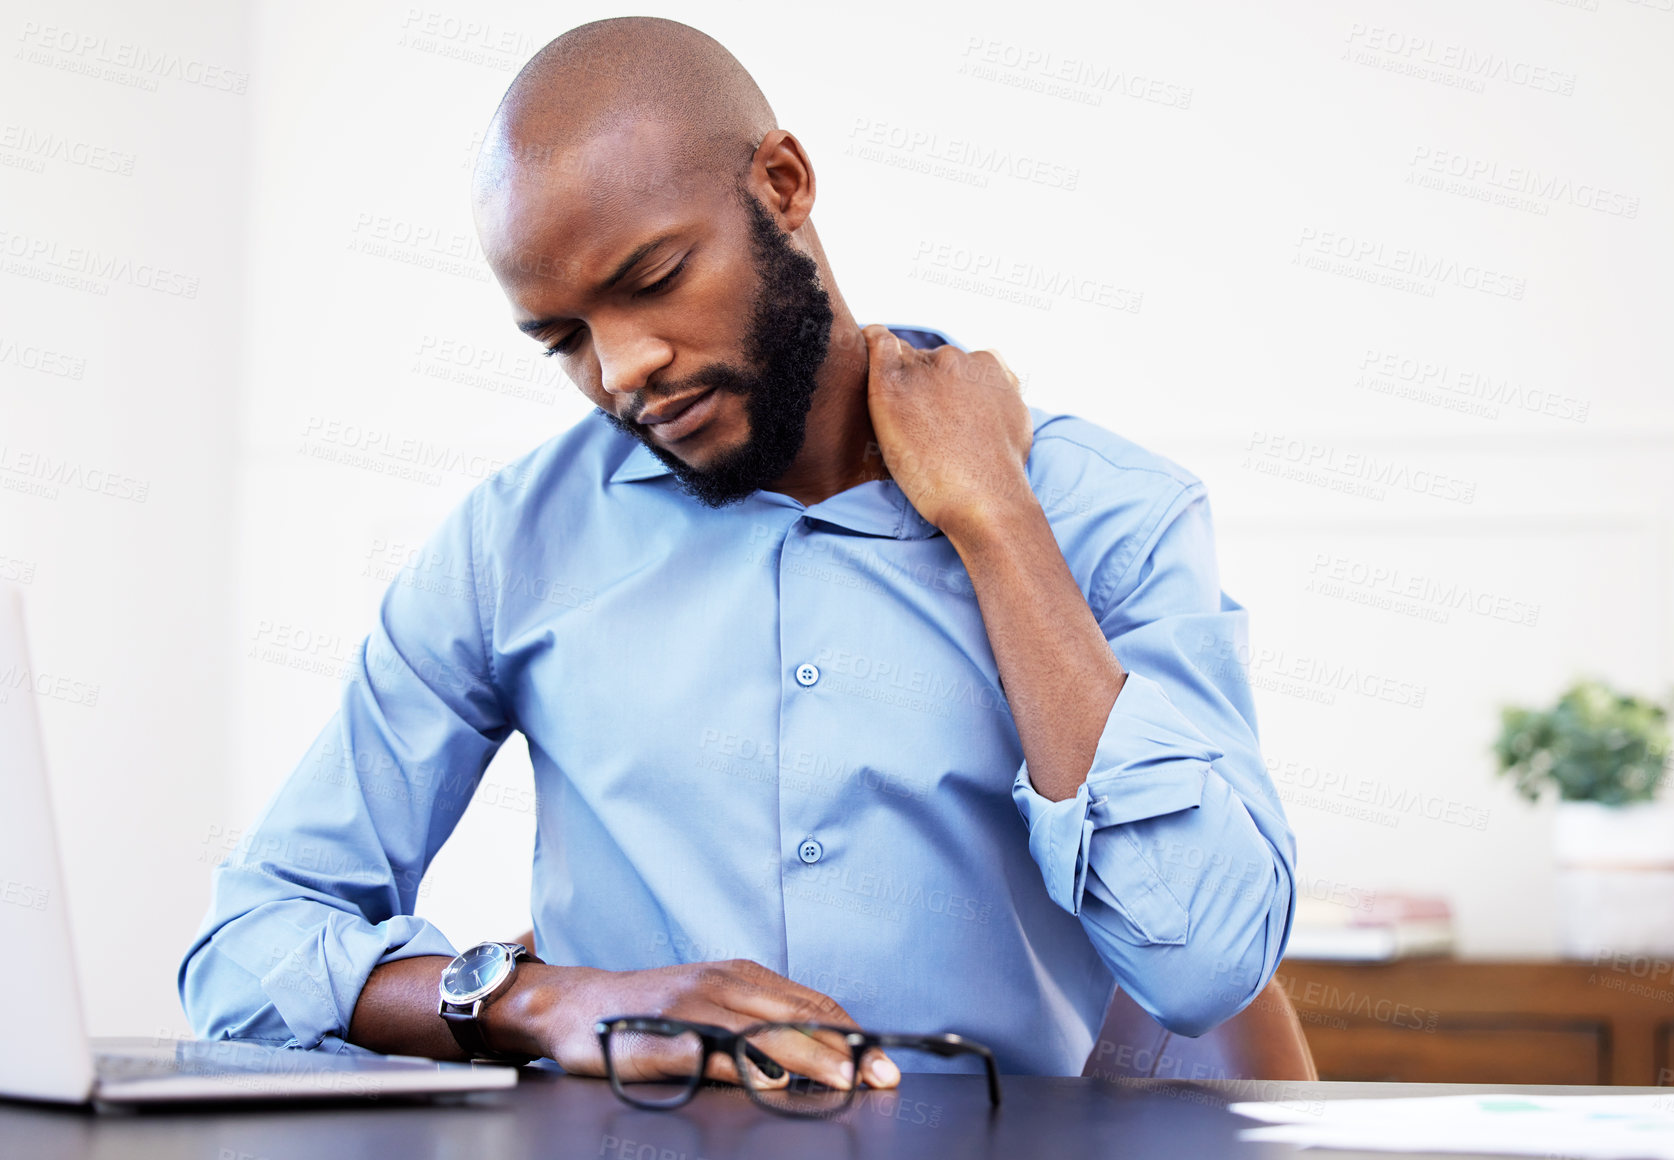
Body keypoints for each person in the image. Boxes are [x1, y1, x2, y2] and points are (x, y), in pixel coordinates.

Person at [179, 16, 1295, 1084]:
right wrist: (543, 999)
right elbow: (245, 951)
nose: (621, 369)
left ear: (782, 186)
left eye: (651, 280)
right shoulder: (509, 545)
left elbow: (1200, 960)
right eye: (562, 337)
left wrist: (996, 523)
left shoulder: (1109, 516)